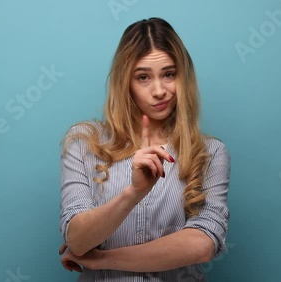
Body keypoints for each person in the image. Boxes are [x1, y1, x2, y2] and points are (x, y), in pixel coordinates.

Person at [58, 17, 230, 281]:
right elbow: (78, 239)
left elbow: (202, 244)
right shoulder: (84, 142)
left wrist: (101, 259)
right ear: (125, 82)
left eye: (169, 74)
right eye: (143, 77)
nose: (159, 90)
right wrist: (134, 192)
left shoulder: (210, 152)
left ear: (183, 77)